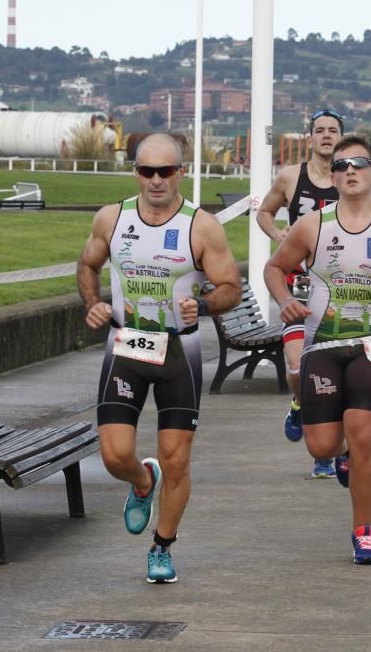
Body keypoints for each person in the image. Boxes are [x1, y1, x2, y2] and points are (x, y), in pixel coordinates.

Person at [77, 134, 241, 584]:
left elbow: (230, 285)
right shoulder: (112, 218)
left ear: (180, 173)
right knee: (114, 455)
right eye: (146, 171)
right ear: (135, 172)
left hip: (178, 352)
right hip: (125, 347)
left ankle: (162, 547)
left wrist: (203, 305)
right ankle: (141, 481)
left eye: (164, 171)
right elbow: (87, 264)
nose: (155, 180)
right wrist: (92, 301)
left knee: (178, 459)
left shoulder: (201, 226)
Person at [263, 135, 371, 564]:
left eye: (359, 163)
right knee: (322, 446)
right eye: (340, 165)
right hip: (324, 345)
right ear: (332, 177)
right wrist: (285, 301)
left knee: (366, 435)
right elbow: (275, 268)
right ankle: (343, 456)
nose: (349, 170)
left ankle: (364, 531)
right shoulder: (313, 225)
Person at [256, 108, 343, 478]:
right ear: (310, 139)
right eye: (319, 130)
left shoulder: (349, 178)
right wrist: (279, 236)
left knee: (336, 375)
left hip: (339, 289)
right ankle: (298, 402)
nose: (326, 136)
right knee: (297, 368)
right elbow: (264, 212)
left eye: (333, 131)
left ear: (342, 138)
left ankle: (325, 455)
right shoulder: (291, 177)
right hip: (299, 285)